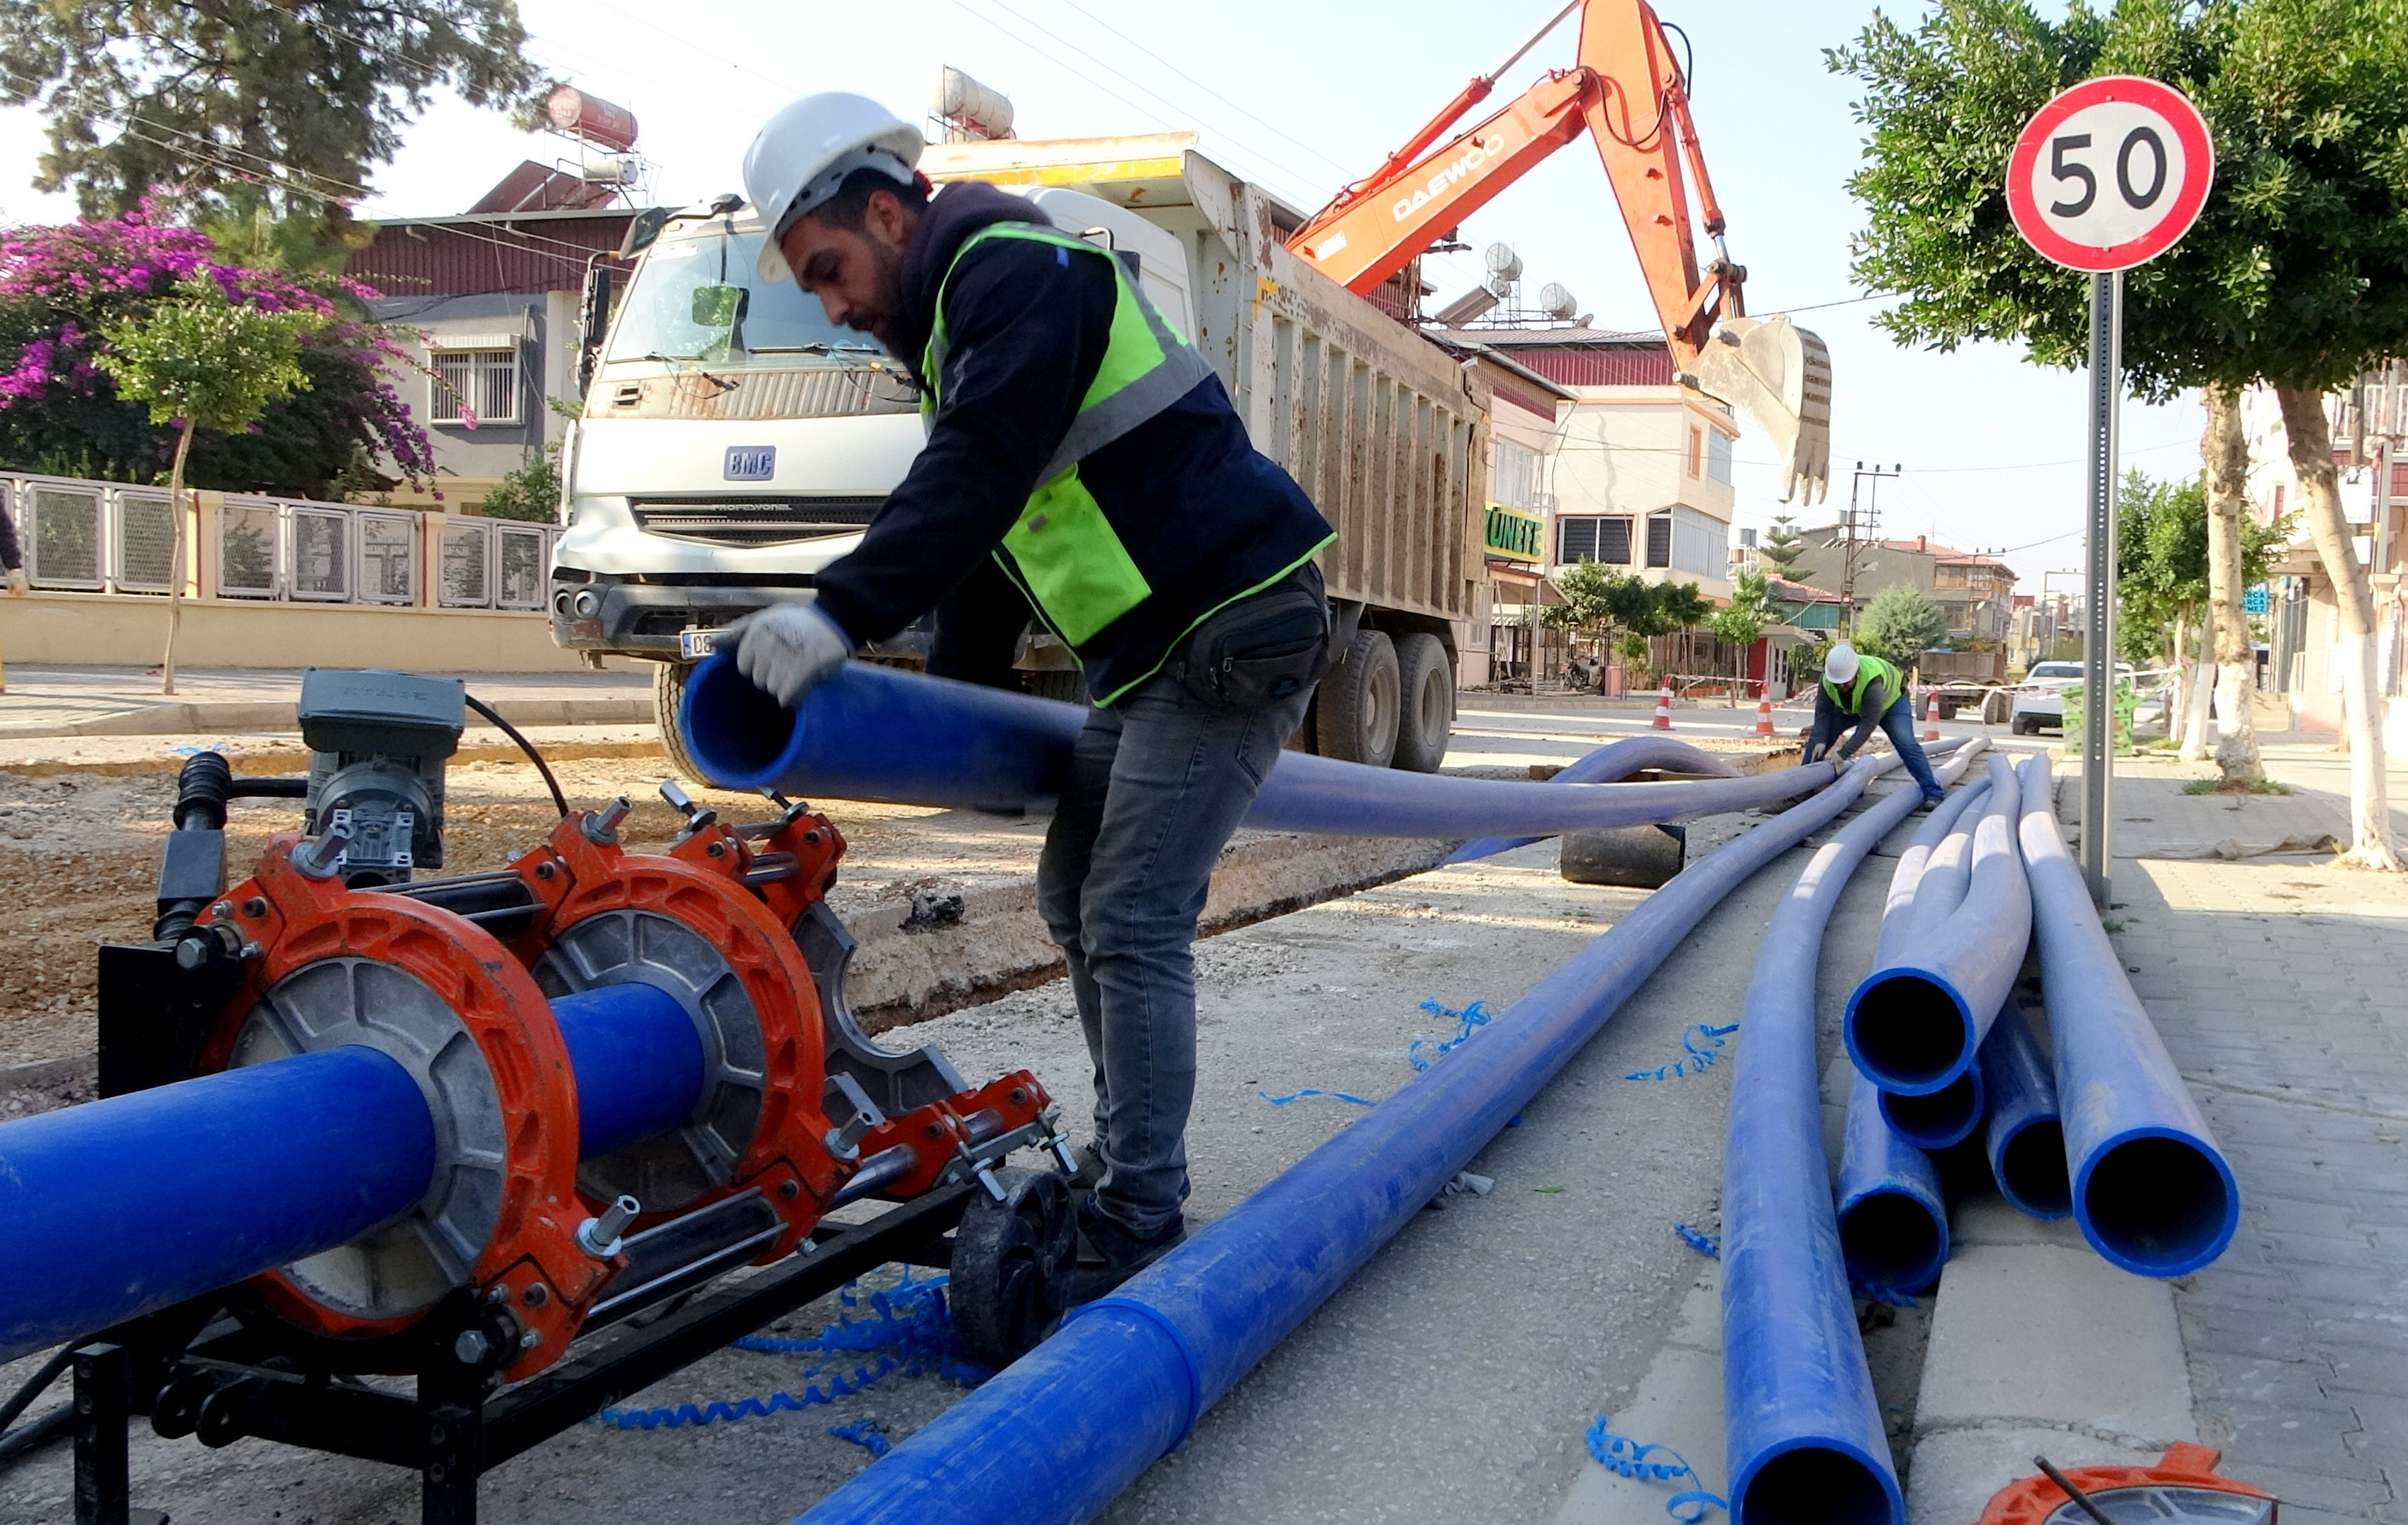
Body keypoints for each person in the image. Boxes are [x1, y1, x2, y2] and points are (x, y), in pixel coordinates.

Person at [726, 94, 1336, 1297]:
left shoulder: (1015, 273)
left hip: (1228, 624)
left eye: (834, 271)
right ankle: (1127, 1164)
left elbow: (977, 475)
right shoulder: (965, 321)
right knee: (1074, 893)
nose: (838, 307)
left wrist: (835, 613)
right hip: (1162, 651)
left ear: (889, 211)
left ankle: (1138, 1207)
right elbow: (995, 537)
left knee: (1132, 915)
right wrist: (956, 714)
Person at [1802, 642, 1945, 805]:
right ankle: (1800, 791)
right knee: (1817, 740)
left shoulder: (1872, 682)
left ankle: (1933, 793)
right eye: (1837, 683)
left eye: (1846, 682)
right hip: (1854, 707)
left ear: (1856, 673)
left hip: (1892, 704)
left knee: (1907, 745)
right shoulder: (1828, 680)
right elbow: (1823, 713)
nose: (1841, 686)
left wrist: (1843, 753)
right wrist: (1821, 739)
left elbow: (1868, 724)